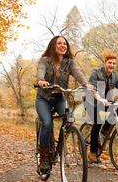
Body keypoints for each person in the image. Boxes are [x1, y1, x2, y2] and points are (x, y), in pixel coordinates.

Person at [36, 35, 94, 174]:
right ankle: (44, 158)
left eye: (65, 44)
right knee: (47, 123)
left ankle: (61, 147)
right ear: (53, 46)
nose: (63, 45)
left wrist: (86, 84)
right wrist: (40, 80)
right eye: (59, 43)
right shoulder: (45, 60)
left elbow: (78, 73)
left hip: (59, 98)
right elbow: (40, 71)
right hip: (43, 98)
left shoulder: (69, 62)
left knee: (69, 119)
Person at [86, 53, 118, 164]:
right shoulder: (96, 74)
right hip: (92, 102)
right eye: (109, 63)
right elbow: (92, 89)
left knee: (117, 109)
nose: (111, 65)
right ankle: (92, 152)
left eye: (114, 63)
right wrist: (99, 98)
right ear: (105, 63)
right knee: (97, 122)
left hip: (106, 101)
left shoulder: (115, 75)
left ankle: (105, 131)